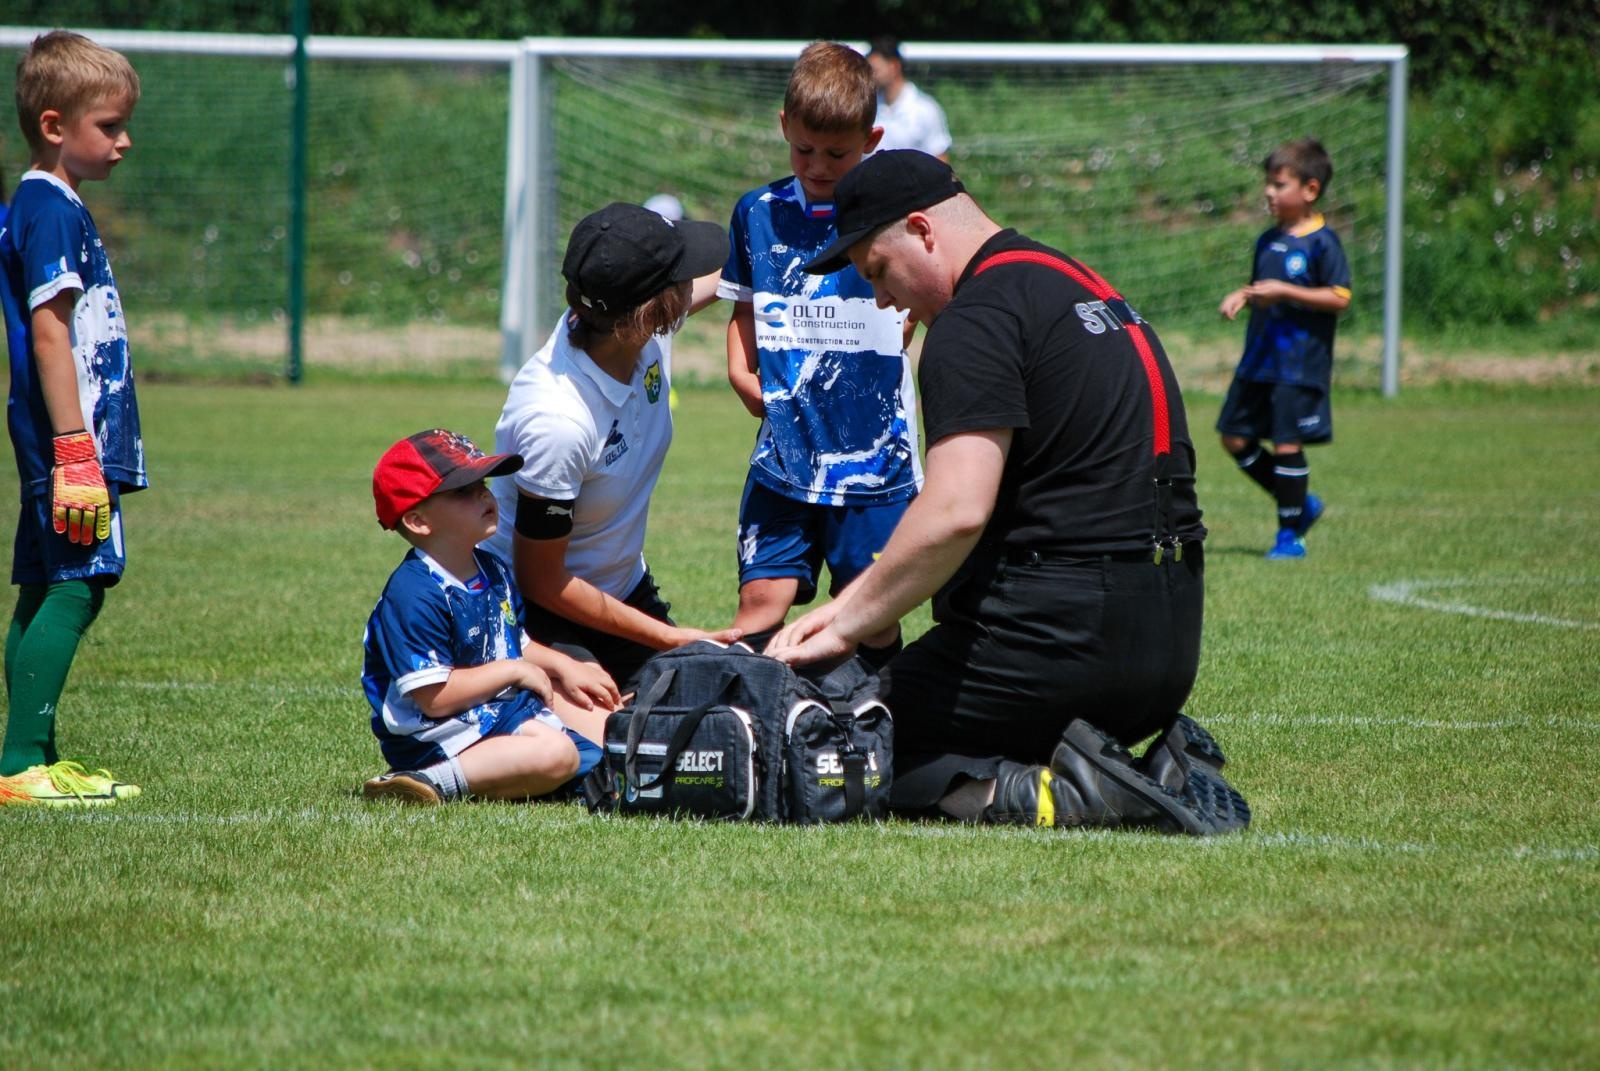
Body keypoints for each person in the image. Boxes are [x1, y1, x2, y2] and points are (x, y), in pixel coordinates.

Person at [767, 150, 1249, 836]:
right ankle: (1154, 759)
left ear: (921, 230)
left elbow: (959, 508)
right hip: (1167, 657)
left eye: (877, 270)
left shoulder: (974, 318)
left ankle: (1058, 791)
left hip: (1064, 648)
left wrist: (844, 619)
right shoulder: (1075, 282)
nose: (879, 298)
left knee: (841, 742)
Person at [484, 203, 739, 694]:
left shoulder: (627, 331)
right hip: (535, 613)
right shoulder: (559, 421)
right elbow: (542, 581)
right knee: (603, 748)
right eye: (682, 274)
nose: (695, 278)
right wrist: (669, 637)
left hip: (622, 594)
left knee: (706, 723)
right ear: (653, 309)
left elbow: (728, 276)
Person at [719, 41, 921, 659]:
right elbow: (745, 310)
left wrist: (904, 323)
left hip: (874, 456)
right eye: (804, 149)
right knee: (761, 602)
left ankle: (873, 727)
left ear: (872, 138)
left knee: (868, 610)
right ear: (784, 127)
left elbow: (919, 301)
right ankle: (754, 724)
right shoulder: (758, 212)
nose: (818, 165)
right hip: (784, 448)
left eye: (837, 153)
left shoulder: (895, 216)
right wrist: (737, 370)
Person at [0, 31, 145, 806]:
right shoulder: (49, 208)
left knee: (46, 583)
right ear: (54, 125)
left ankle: (33, 757)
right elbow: (51, 332)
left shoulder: (48, 203)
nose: (123, 142)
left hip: (59, 439)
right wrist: (75, 451)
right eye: (109, 126)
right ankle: (20, 763)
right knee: (80, 584)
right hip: (69, 440)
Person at [361, 429, 614, 805]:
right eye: (464, 490)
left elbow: (514, 644)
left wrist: (566, 666)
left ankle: (539, 776)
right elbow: (434, 697)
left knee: (610, 748)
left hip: (496, 710)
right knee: (557, 755)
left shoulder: (491, 568)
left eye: (483, 483)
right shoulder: (414, 592)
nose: (484, 495)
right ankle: (427, 782)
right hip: (438, 736)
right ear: (417, 521)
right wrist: (515, 671)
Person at [1217, 138, 1350, 560]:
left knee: (1287, 442)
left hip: (1299, 363)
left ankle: (1289, 536)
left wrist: (1286, 292)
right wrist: (1244, 295)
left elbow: (1340, 297)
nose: (1268, 193)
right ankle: (1299, 502)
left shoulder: (1322, 243)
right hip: (1260, 359)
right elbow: (1266, 289)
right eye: (1268, 185)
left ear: (1310, 190)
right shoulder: (1267, 240)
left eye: (1278, 185)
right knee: (1234, 437)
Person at [865, 37, 952, 161]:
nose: (871, 77)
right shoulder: (868, 107)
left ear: (894, 66)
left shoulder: (926, 109)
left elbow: (940, 161)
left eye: (876, 70)